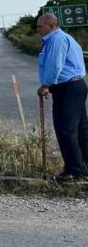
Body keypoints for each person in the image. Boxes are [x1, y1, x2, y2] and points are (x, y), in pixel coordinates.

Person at [36, 13, 88, 181]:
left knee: (66, 130)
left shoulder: (56, 40)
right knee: (80, 129)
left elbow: (54, 65)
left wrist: (46, 85)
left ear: (51, 25)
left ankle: (74, 171)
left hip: (67, 87)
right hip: (76, 85)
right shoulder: (65, 37)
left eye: (40, 26)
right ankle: (83, 164)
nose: (37, 30)